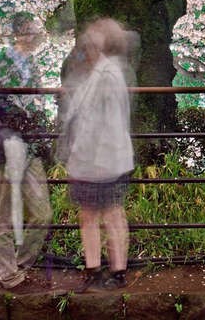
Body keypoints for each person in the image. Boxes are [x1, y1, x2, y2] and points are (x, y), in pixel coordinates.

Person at [59, 17, 136, 293]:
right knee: (94, 214)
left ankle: (112, 271)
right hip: (95, 159)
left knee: (107, 214)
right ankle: (101, 270)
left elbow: (102, 121)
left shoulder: (107, 74)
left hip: (103, 159)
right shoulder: (99, 73)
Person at [0, 13, 51, 291]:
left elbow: (37, 103)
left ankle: (21, 265)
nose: (32, 36)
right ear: (16, 34)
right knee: (1, 214)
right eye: (27, 31)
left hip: (31, 145)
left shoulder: (33, 66)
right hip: (5, 146)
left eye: (34, 31)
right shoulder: (0, 63)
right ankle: (9, 275)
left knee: (43, 213)